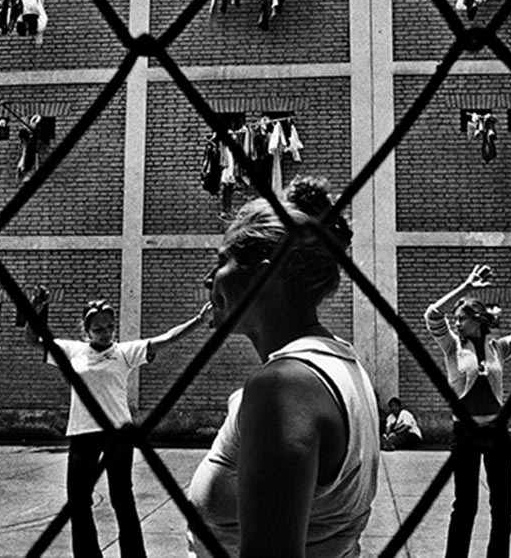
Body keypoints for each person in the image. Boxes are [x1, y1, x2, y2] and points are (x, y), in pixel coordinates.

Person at [187, 175, 381, 558]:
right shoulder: (342, 364)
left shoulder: (284, 388)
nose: (207, 279)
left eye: (221, 261)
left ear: (262, 277)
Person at [24, 287, 211, 558]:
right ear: (86, 330)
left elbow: (166, 339)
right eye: (98, 329)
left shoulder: (124, 352)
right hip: (82, 431)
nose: (106, 333)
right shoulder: (72, 351)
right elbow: (32, 340)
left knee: (122, 498)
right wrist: (35, 310)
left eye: (110, 327)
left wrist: (198, 320)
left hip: (118, 434)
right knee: (79, 501)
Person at [425, 262, 511, 558]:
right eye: (456, 319)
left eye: (462, 319)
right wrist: (466, 287)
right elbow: (433, 314)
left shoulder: (497, 346)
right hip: (465, 432)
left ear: (478, 320)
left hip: (497, 431)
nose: (457, 324)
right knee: (465, 505)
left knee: (502, 505)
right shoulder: (452, 348)